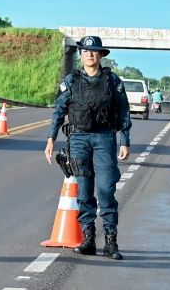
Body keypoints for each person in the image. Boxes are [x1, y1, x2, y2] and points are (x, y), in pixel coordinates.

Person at [44, 35, 131, 260]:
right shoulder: (71, 81)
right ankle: (88, 239)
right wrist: (51, 138)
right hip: (79, 139)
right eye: (86, 51)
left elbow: (123, 111)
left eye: (94, 51)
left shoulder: (112, 81)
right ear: (81, 54)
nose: (90, 54)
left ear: (101, 54)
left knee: (106, 190)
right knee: (84, 192)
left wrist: (125, 140)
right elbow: (58, 111)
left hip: (104, 138)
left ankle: (111, 242)